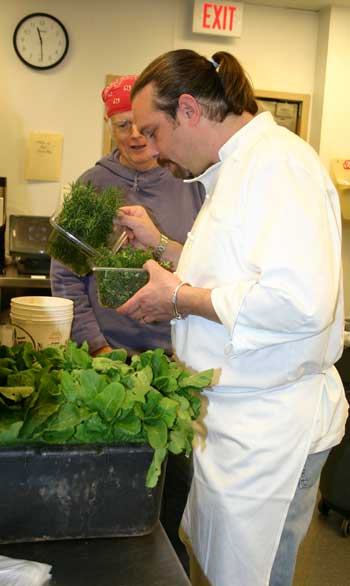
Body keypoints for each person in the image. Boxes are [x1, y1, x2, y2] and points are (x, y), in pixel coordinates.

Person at [116, 50, 349, 586]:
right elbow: (240, 276)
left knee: (251, 576)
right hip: (236, 422)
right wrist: (168, 249)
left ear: (191, 110)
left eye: (153, 131)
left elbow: (299, 303)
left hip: (271, 430)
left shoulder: (279, 165)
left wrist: (177, 299)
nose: (149, 149)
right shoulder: (238, 170)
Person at [50, 75, 204, 357]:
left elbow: (209, 271)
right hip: (104, 352)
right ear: (110, 129)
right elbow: (65, 276)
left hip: (179, 353)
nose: (135, 133)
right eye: (123, 125)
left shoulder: (191, 184)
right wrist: (97, 346)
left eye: (142, 125)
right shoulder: (90, 186)